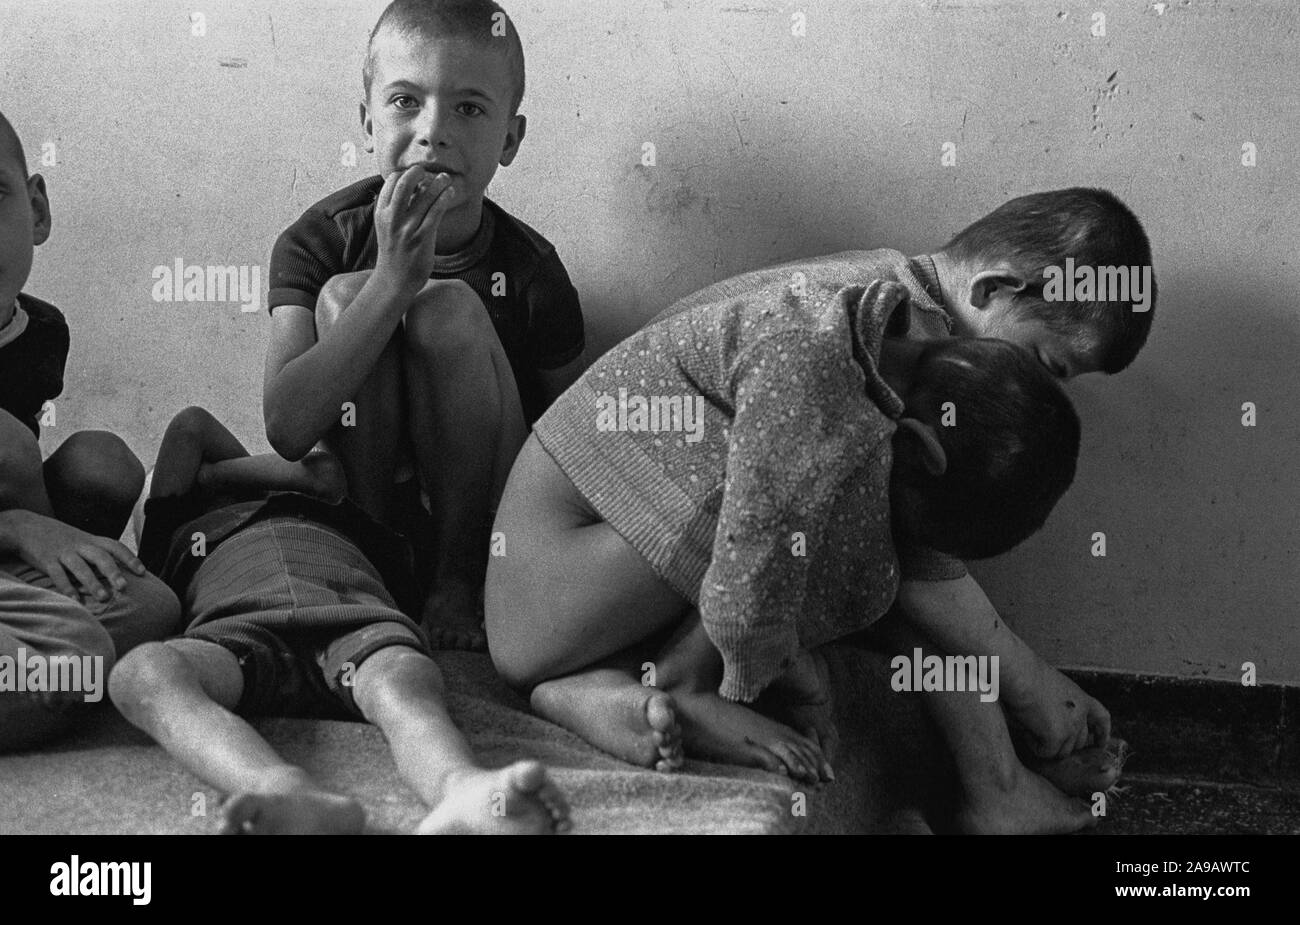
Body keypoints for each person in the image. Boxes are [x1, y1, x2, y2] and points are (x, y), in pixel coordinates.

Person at [108, 406, 570, 834]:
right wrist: (206, 487)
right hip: (235, 628)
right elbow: (186, 430)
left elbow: (319, 469)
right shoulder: (174, 531)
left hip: (352, 611)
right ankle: (280, 789)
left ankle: (460, 788)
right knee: (141, 672)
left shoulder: (313, 497)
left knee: (402, 684)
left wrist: (215, 477)